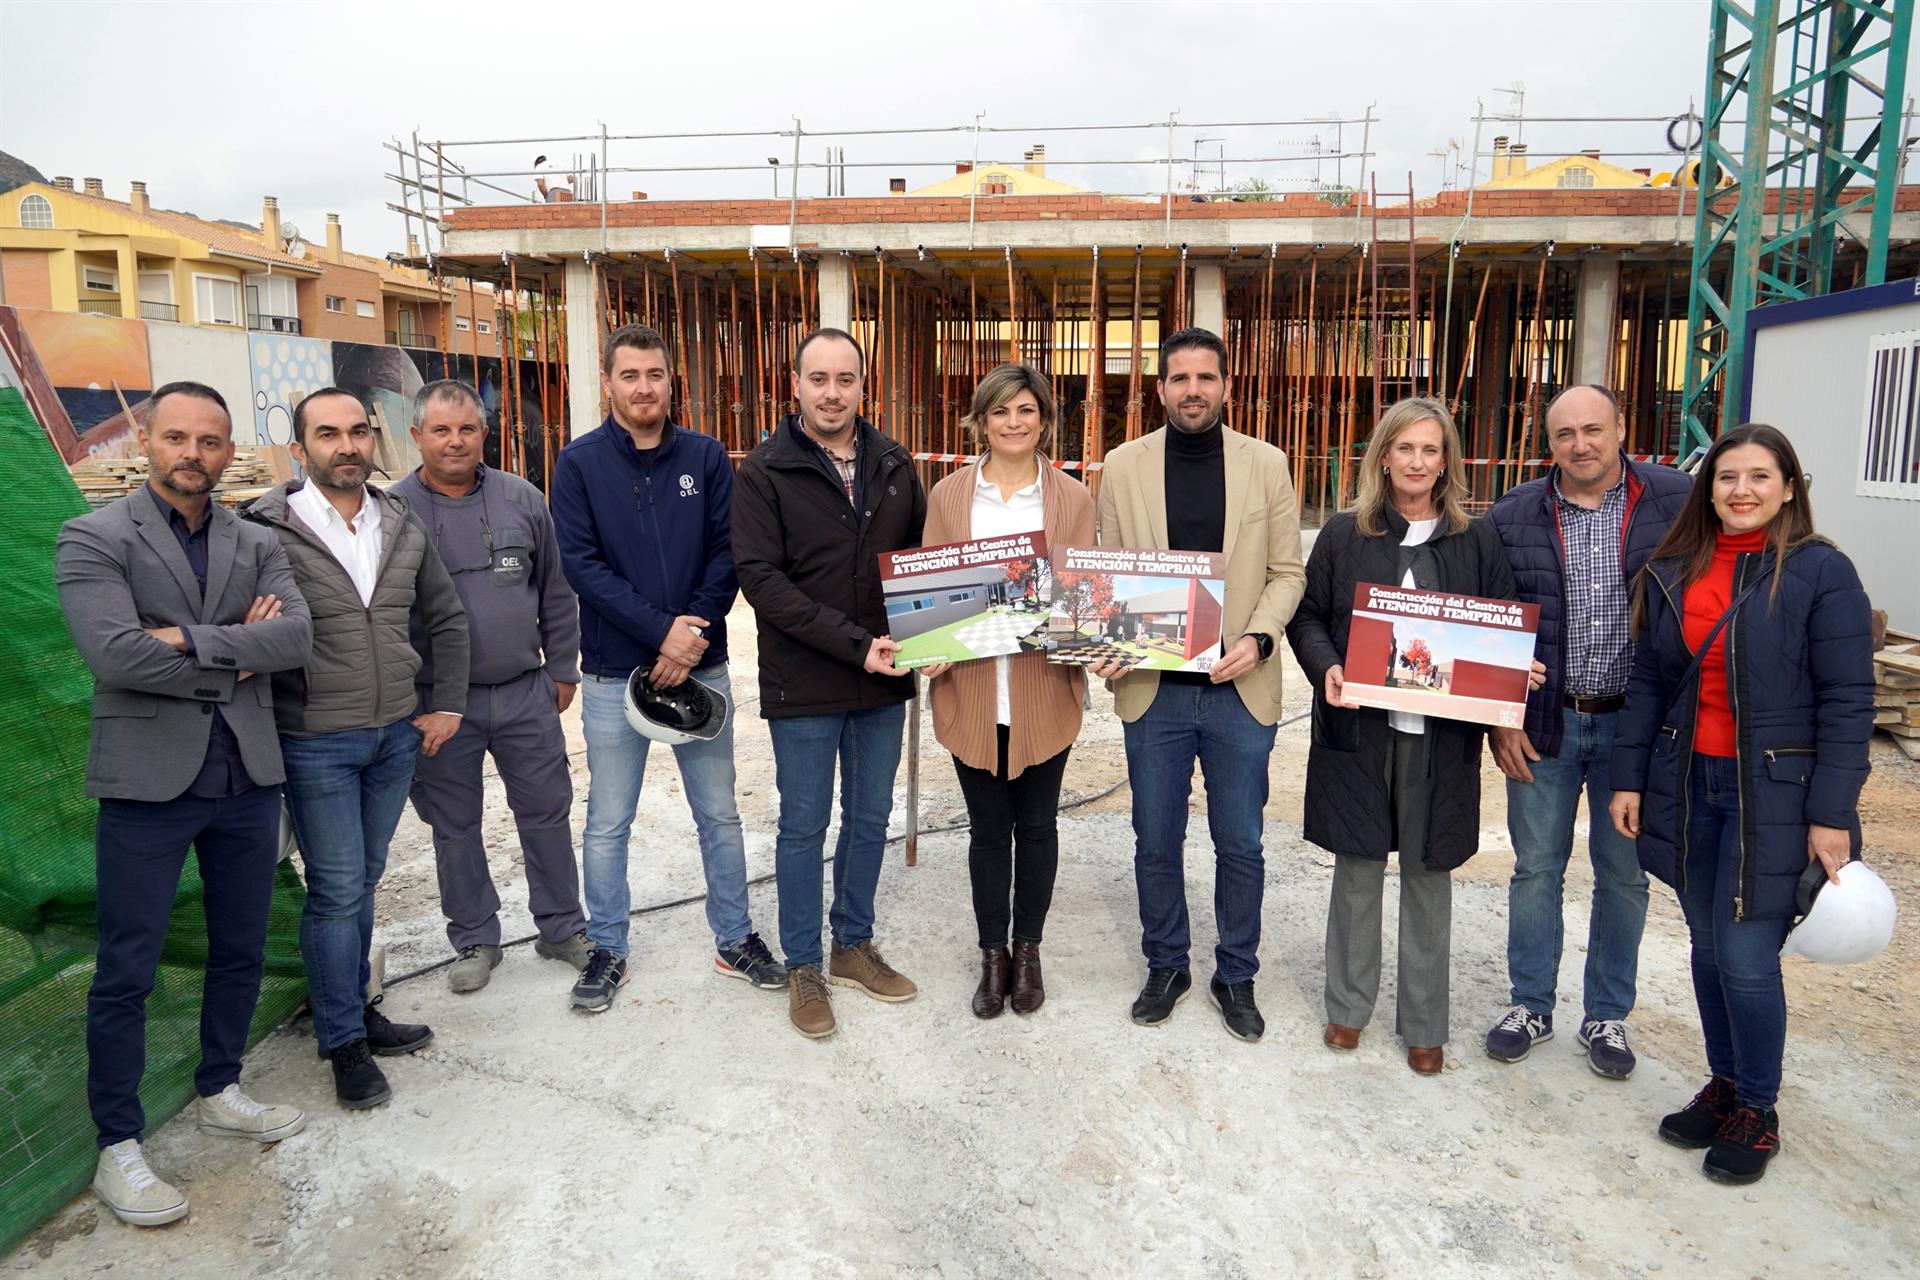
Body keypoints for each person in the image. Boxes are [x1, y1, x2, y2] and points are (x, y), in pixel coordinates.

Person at [55, 382, 313, 1226]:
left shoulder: (256, 536)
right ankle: (117, 1145)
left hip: (244, 776)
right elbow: (117, 657)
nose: (192, 454)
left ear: (227, 447)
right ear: (147, 442)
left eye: (209, 440)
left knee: (238, 949)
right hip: (148, 783)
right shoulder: (92, 536)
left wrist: (187, 637)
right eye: (176, 437)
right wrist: (236, 653)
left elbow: (296, 637)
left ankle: (219, 1086)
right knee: (128, 968)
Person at [1609, 423, 1872, 1185]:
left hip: (1775, 795)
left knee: (1749, 956)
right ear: (1708, 488)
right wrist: (1630, 779)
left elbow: (1848, 701)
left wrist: (1831, 812)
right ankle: (1724, 1083)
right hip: (1691, 782)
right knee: (1703, 941)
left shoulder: (1822, 574)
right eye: (1727, 478)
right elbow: (1652, 684)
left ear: (1790, 487)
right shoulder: (1679, 567)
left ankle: (1759, 1105)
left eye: (1760, 476)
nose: (1743, 491)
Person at [1286, 397, 1538, 1074]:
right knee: (1359, 868)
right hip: (1360, 734)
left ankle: (1426, 1023)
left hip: (1440, 742)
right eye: (1405, 449)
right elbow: (1306, 617)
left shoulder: (1475, 540)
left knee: (1429, 874)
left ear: (1446, 460)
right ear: (1383, 456)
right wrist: (1329, 666)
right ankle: (1347, 1009)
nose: (1417, 463)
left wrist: (1509, 675)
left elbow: (1498, 626)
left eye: (1430, 450)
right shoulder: (1344, 535)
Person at [245, 387, 469, 1110]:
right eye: (327, 434)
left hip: (394, 735)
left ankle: (358, 1009)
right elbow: (234, 623)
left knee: (361, 883)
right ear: (299, 448)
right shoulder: (263, 530)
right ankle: (342, 1039)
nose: (345, 446)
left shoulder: (399, 521)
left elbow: (447, 618)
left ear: (374, 440)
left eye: (356, 432)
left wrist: (448, 704)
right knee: (338, 891)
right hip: (316, 740)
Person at [550, 323, 784, 1013]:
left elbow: (728, 553)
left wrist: (692, 636)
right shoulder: (579, 464)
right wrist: (662, 635)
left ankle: (735, 938)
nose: (644, 387)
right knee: (607, 820)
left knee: (719, 815)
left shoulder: (707, 458)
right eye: (630, 375)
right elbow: (582, 567)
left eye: (655, 374)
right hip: (611, 674)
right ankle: (607, 949)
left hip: (701, 670)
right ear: (608, 382)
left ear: (670, 379)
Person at [1093, 326, 1306, 1043]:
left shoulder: (1267, 464)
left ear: (1225, 386)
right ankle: (1167, 963)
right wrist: (1105, 642)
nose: (1193, 391)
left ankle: (1236, 973)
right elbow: (1107, 576)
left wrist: (1259, 639)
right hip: (1155, 687)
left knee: (1240, 841)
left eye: (1205, 378)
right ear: (1160, 390)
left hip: (1238, 687)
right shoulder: (1121, 468)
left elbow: (1288, 573)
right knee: (1155, 836)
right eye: (1179, 378)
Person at [1483, 384, 1693, 1078]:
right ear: (1550, 443)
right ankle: (1531, 1003)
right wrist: (1500, 714)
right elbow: (1487, 621)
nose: (1581, 444)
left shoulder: (1675, 500)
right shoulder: (1514, 514)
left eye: (1593, 429)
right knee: (1536, 868)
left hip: (1633, 728)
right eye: (1565, 433)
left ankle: (1606, 1014)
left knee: (1624, 876)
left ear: (1621, 428)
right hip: (1545, 726)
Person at [733, 327, 928, 1039]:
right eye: (819, 379)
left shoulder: (897, 465)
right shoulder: (764, 471)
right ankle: (803, 966)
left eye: (845, 379)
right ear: (795, 385)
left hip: (882, 679)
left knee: (870, 820)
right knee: (803, 825)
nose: (832, 392)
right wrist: (857, 645)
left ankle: (852, 944)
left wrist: (932, 636)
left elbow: (918, 568)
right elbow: (761, 581)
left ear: (861, 385)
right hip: (806, 679)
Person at [392, 380, 591, 995]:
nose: (456, 441)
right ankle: (475, 938)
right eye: (442, 430)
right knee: (454, 823)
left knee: (546, 811)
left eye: (468, 428)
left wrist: (562, 669)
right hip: (439, 704)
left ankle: (561, 927)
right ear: (416, 435)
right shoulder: (392, 512)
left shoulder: (521, 499)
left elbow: (555, 590)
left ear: (485, 432)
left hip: (525, 691)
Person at [918, 364, 1095, 1018]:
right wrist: (931, 646)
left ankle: (1029, 949)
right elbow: (932, 596)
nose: (1014, 423)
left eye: (1026, 410)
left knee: (1038, 826)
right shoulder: (950, 497)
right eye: (1001, 412)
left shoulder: (1072, 499)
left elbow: (1083, 600)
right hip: (971, 691)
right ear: (980, 420)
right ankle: (993, 955)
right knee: (989, 832)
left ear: (1045, 419)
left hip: (1043, 690)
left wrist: (1099, 641)